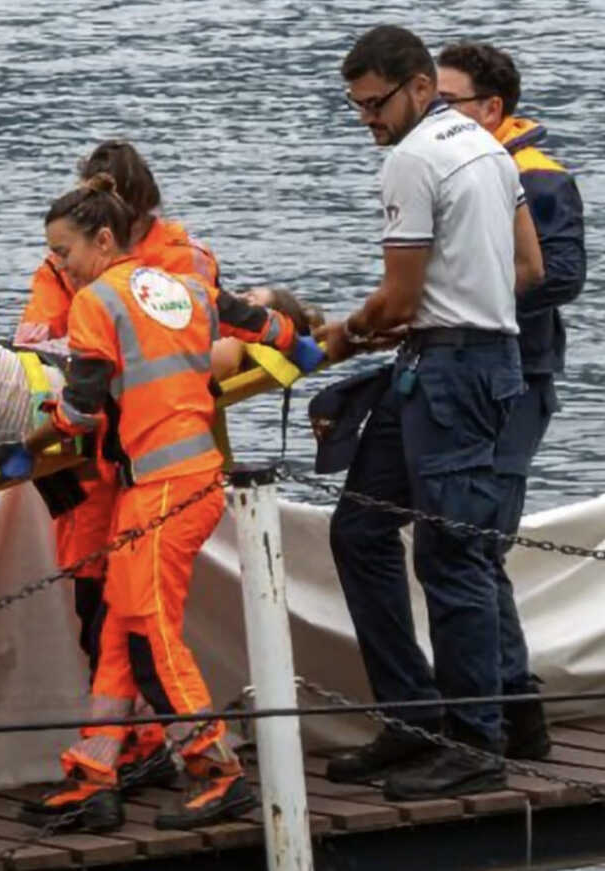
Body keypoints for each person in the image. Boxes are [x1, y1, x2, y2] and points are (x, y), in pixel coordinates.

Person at [13, 173, 324, 833]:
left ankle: (216, 769)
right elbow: (263, 322)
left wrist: (35, 428)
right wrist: (301, 347)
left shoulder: (97, 301)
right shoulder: (184, 288)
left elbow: (82, 407)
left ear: (101, 239)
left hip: (162, 490)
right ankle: (95, 771)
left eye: (62, 251)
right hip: (177, 482)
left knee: (149, 630)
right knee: (120, 631)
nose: (58, 266)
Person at [313, 25, 544, 801]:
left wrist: (339, 338)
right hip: (477, 360)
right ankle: (415, 721)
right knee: (362, 528)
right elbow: (528, 267)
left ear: (418, 86)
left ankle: (474, 739)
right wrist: (466, 301)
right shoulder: (489, 148)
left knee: (448, 556)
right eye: (357, 108)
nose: (368, 122)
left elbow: (399, 299)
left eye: (375, 104)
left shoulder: (411, 160)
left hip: (446, 370)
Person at [436, 41, 586, 761]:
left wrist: (471, 295)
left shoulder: (538, 175)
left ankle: (506, 713)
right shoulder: (459, 167)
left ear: (490, 108)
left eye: (446, 99)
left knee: (477, 541)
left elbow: (562, 273)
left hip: (518, 375)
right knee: (472, 543)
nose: (432, 111)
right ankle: (511, 706)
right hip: (474, 372)